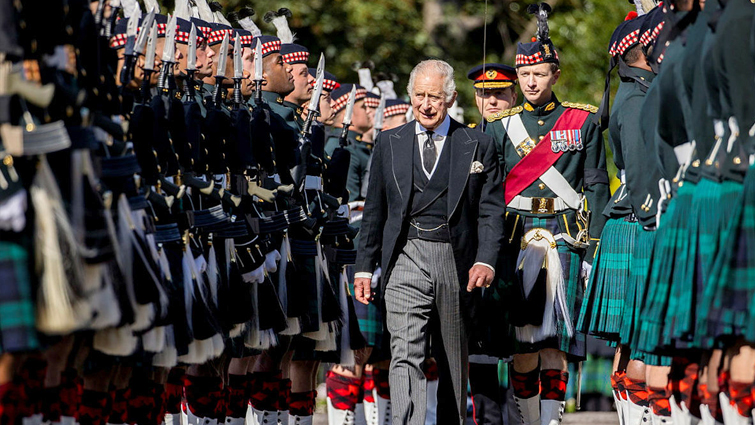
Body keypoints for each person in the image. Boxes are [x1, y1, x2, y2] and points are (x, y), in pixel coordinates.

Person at [354, 59, 506, 425]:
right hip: (404, 256)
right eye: (420, 95)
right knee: (405, 352)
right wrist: (364, 266)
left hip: (456, 260)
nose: (426, 104)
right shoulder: (390, 141)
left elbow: (491, 210)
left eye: (434, 97)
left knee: (454, 358)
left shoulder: (478, 144)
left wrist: (485, 260)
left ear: (451, 97)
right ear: (410, 96)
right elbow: (374, 209)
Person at [484, 4, 609, 424]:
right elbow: (489, 194)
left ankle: (553, 420)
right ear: (517, 78)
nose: (532, 81)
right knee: (523, 343)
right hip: (516, 237)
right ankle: (530, 420)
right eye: (525, 74)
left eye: (540, 73)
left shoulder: (583, 121)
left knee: (555, 341)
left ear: (555, 74)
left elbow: (595, 184)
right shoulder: (499, 127)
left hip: (564, 236)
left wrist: (592, 247)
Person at [465, 62, 518, 425]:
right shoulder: (465, 139)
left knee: (521, 342)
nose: (493, 101)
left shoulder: (526, 138)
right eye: (485, 94)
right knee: (478, 342)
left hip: (521, 246)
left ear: (513, 95)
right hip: (479, 252)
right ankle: (486, 419)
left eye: (500, 93)